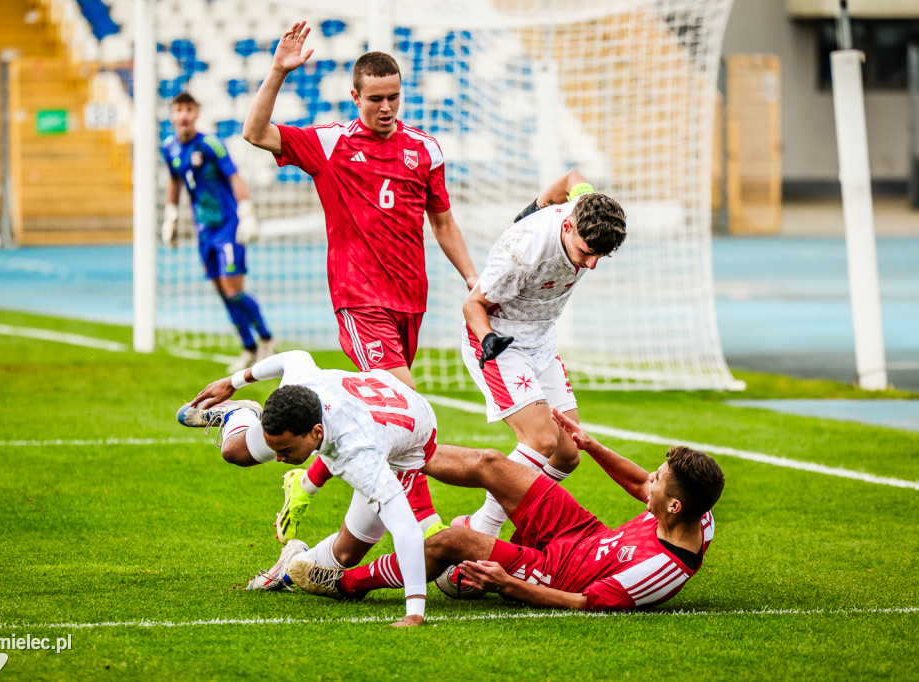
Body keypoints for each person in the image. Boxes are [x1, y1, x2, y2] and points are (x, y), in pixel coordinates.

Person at [242, 20, 478, 542]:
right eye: (376, 99)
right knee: (411, 409)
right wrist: (278, 72)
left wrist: (471, 278)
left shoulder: (425, 150)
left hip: (409, 303)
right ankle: (427, 525)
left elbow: (442, 221)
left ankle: (306, 484)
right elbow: (255, 134)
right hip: (359, 301)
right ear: (355, 97)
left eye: (394, 97)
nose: (387, 108)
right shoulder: (330, 145)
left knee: (383, 419)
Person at [286, 407, 724, 625]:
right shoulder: (696, 516)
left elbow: (585, 603)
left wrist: (507, 584)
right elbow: (638, 486)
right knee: (491, 464)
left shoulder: (661, 570)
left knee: (449, 542)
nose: (651, 479)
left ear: (674, 507)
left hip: (555, 574)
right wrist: (592, 447)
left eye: (660, 480)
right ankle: (396, 452)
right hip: (580, 532)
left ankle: (345, 584)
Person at [176, 349, 446, 627]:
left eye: (285, 449)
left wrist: (414, 613)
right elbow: (294, 357)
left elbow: (407, 530)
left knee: (347, 555)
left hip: (399, 448)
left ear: (316, 433)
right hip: (368, 401)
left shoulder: (359, 456)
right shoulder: (301, 386)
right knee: (235, 452)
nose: (278, 458)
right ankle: (242, 413)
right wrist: (233, 382)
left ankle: (291, 561)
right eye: (275, 447)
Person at [456, 171, 627, 537]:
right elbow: (473, 306)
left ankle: (520, 526)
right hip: (498, 339)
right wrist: (488, 340)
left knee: (568, 453)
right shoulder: (522, 252)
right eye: (586, 252)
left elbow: (572, 178)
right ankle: (478, 532)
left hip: (541, 342)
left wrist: (534, 207)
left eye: (601, 256)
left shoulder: (584, 206)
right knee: (542, 440)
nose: (591, 264)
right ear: (567, 226)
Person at [161, 91, 274, 372]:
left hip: (228, 226)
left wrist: (246, 211)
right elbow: (175, 181)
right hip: (204, 231)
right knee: (222, 291)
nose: (184, 115)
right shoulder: (169, 148)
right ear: (172, 115)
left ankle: (267, 340)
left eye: (189, 109)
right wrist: (171, 214)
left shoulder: (211, 144)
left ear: (196, 113)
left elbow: (234, 176)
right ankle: (248, 347)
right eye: (179, 110)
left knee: (233, 290)